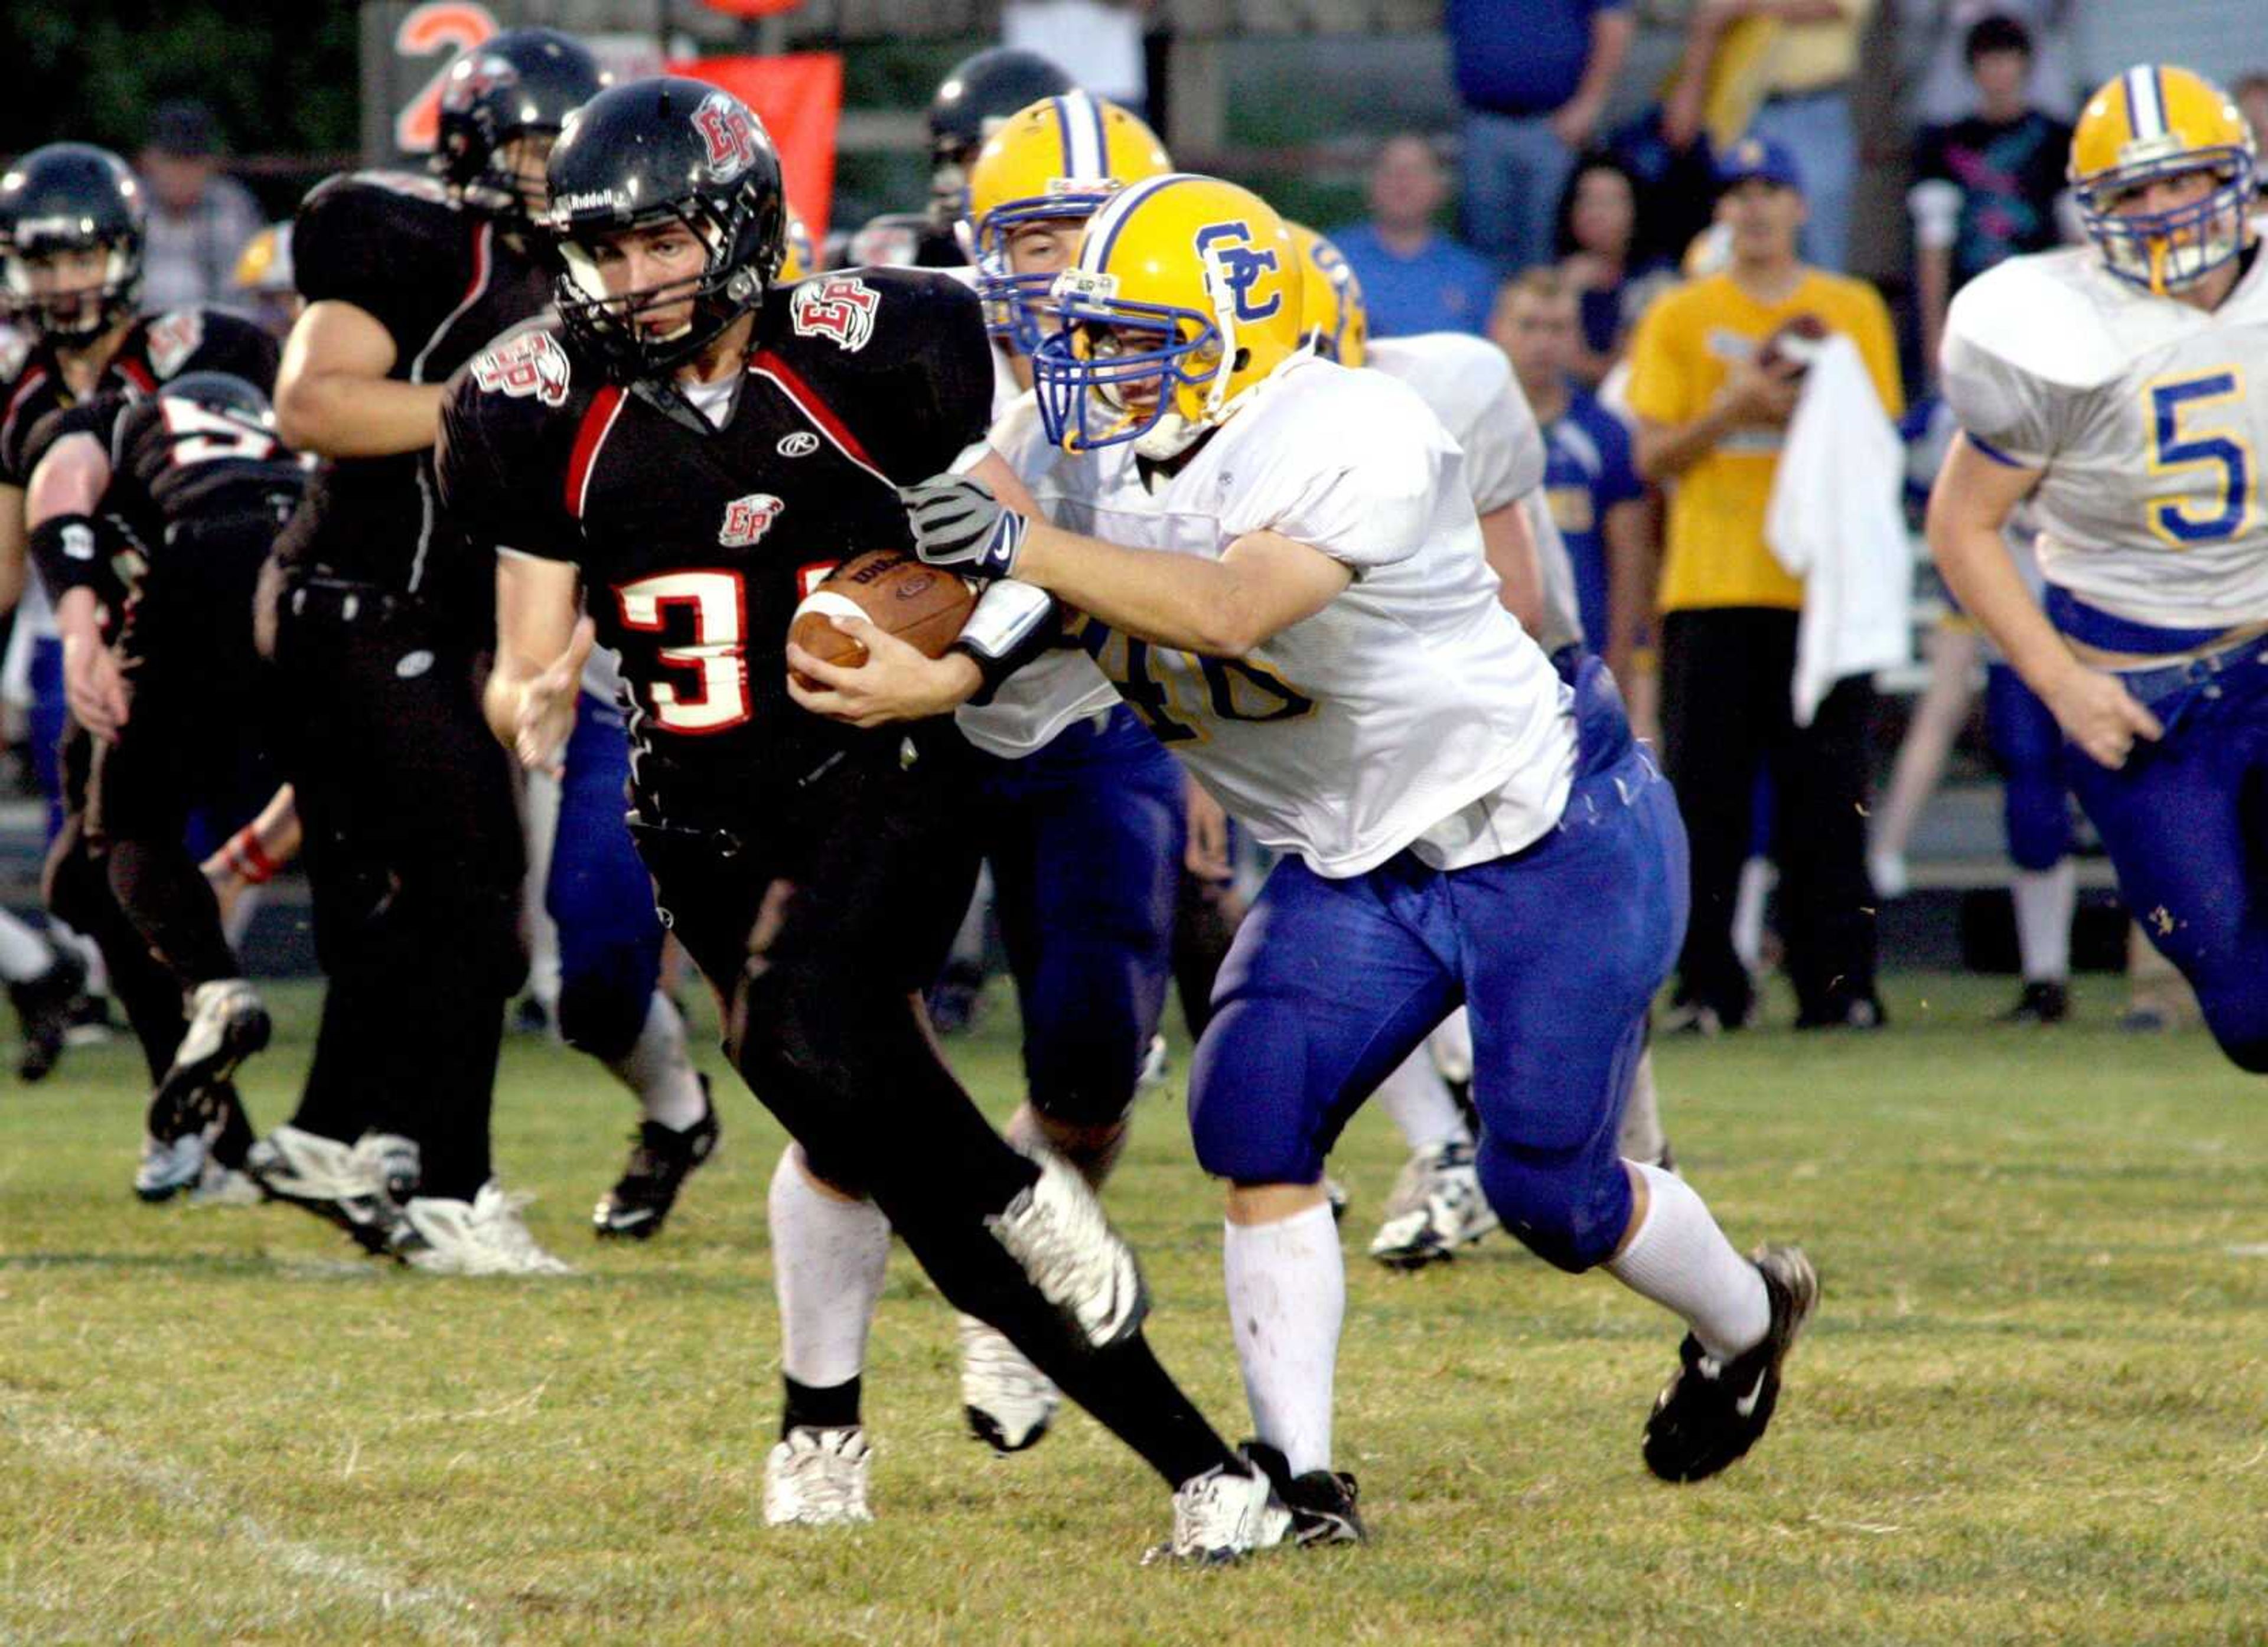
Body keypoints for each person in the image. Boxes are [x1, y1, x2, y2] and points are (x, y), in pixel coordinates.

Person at [831, 171, 1817, 1539]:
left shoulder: (1351, 425)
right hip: (1354, 862)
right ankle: (1295, 1475)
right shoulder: (1090, 450)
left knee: (1549, 1190)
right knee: (1250, 1120)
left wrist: (1026, 543)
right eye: (1089, 335)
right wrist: (919, 678)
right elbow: (1025, 596)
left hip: (1543, 837)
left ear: (1234, 331)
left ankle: (1747, 1318)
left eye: (1129, 338)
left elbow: (1230, 606)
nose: (1091, 366)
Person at [440, 77, 1288, 1563]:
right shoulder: (527, 402)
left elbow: (1034, 553)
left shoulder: (875, 343)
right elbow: (523, 649)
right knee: (879, 1139)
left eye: (661, 241)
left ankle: (989, 1239)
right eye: (606, 250)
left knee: (794, 1029)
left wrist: (948, 667)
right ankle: (1192, 1463)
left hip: (879, 773)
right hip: (692, 815)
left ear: (739, 224)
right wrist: (533, 699)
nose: (634, 279)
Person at [243, 27, 607, 1273]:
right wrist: (485, 404)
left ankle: (332, 1132)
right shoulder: (414, 242)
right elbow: (314, 401)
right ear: (472, 145)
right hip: (354, 602)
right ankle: (452, 1189)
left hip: (420, 620)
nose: (553, 171)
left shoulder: (564, 282)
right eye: (531, 144)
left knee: (435, 908)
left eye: (571, 146)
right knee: (471, 878)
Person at [1929, 63, 2268, 1077]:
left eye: (2184, 180)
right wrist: (2065, 684)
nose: (2163, 211)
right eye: (2133, 192)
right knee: (2249, 1014)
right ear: (2091, 211)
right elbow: (1962, 525)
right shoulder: (2055, 327)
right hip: (2143, 691)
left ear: (2242, 176)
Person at [949, 87, 1188, 1451]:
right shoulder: (927, 352)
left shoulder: (1190, 363)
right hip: (921, 732)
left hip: (1095, 722)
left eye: (1091, 234)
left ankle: (1033, 1242)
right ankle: (825, 1409)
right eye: (1035, 239)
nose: (1062, 269)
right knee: (852, 1059)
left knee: (1093, 1055)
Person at [0, 142, 280, 1194]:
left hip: (244, 623)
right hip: (118, 652)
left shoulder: (193, 341)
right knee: (91, 875)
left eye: (84, 256)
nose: (66, 281)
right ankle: (213, 1121)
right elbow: (6, 557)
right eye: (44, 259)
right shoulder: (19, 396)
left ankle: (337, 1127)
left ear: (124, 255)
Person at [1624, 135, 1901, 1033]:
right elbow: (1652, 451)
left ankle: (1840, 985)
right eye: (1738, 191)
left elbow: (1875, 438)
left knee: (1830, 799)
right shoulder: (1680, 314)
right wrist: (1733, 409)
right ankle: (1708, 985)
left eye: (1771, 189)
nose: (1755, 208)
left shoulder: (1849, 307)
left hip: (1822, 589)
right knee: (1706, 803)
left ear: (1801, 206)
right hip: (1711, 583)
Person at [21, 373, 303, 1190]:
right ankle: (336, 1134)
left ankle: (216, 1000)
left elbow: (60, 496)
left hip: (199, 576)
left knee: (122, 840)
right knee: (84, 879)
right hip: (310, 566)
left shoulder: (109, 425)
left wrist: (78, 635)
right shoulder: (288, 439)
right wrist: (251, 857)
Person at [1494, 268, 1651, 678]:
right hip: (1488, 656)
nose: (1543, 343)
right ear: (1497, 330)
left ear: (1577, 336)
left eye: (1558, 328)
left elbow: (1629, 560)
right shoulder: (1469, 431)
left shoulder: (1606, 433)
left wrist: (1619, 665)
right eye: (1529, 326)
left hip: (1580, 659)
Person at [1908, 14, 2073, 389]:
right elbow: (1933, 247)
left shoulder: (2058, 138)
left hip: (2043, 300)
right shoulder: (1942, 143)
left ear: (2025, 65)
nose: (2000, 71)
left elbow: (2078, 235)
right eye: (1989, 61)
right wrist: (1935, 337)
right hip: (1971, 303)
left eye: (2008, 59)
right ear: (1973, 69)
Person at [1663, 1, 1878, 272]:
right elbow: (1709, 20)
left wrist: (1740, 6)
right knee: (1727, 245)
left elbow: (1832, 7)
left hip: (1813, 104)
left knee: (1819, 243)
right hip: (1738, 109)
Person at [1446, 0, 1634, 275]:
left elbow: (1615, 21)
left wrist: (1589, 103)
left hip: (1554, 126)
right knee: (1484, 249)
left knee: (1546, 247)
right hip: (1484, 121)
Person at [846, 46, 1073, 269]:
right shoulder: (913, 251)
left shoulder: (1092, 243)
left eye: (1022, 162)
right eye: (979, 161)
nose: (996, 179)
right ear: (951, 165)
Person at [1328, 136, 1500, 340]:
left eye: (1416, 172)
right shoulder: (1329, 260)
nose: (1403, 182)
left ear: (1441, 188)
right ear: (1371, 185)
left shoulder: (1473, 275)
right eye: (1391, 172)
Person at [135, 101, 264, 312]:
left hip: (216, 337)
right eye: (172, 160)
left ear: (210, 163)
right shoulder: (128, 207)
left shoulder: (234, 208)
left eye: (192, 161)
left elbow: (246, 297)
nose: (182, 173)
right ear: (148, 159)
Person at [1552, 154, 1661, 386]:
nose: (1595, 213)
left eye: (1609, 202)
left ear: (1635, 209)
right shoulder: (1552, 278)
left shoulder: (1657, 282)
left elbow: (1626, 374)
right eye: (1586, 200)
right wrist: (1567, 291)